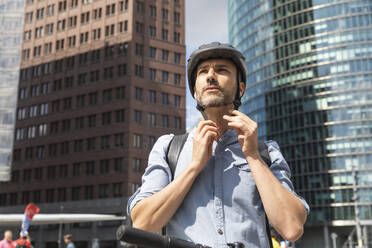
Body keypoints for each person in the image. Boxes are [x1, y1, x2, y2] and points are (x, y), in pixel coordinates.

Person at [127, 42, 309, 247]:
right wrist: (194, 167)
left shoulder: (266, 152)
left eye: (221, 70)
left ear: (240, 88)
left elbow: (291, 228)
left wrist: (253, 156)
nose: (211, 75)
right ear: (195, 92)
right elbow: (142, 224)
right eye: (203, 71)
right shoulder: (168, 147)